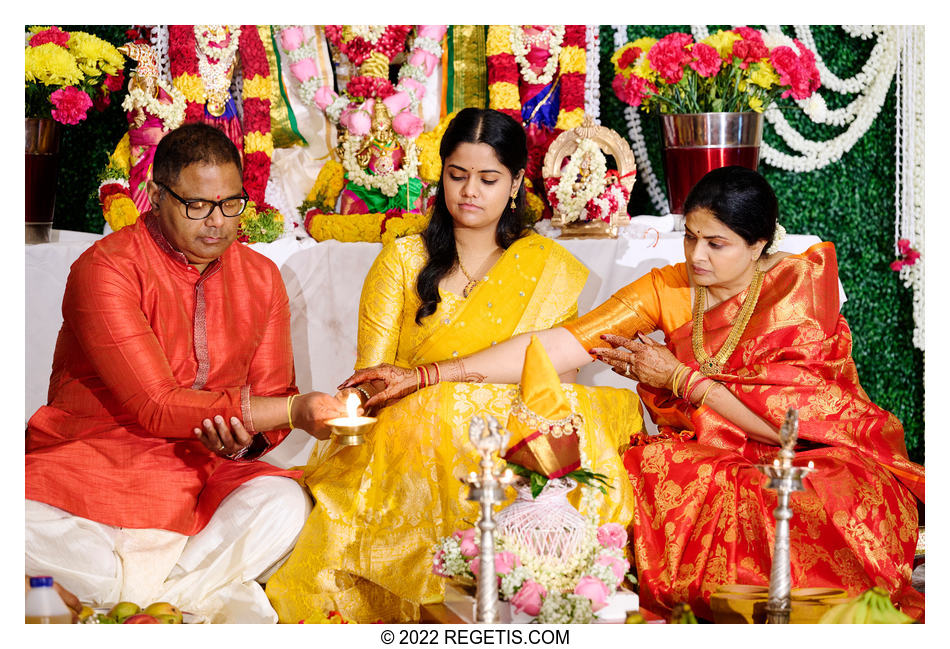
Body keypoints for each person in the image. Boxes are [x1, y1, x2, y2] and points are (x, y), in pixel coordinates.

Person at [344, 166, 926, 621]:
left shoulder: (798, 290)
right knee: (659, 469)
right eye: (691, 237)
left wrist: (679, 378)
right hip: (711, 451)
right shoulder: (670, 287)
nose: (695, 256)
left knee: (828, 497)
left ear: (758, 246)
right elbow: (557, 345)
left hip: (812, 455)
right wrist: (427, 375)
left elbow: (789, 428)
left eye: (716, 244)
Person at [265, 107, 642, 623]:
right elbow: (371, 378)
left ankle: (524, 583)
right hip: (413, 433)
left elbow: (555, 384)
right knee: (437, 411)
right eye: (457, 175)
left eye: (488, 179)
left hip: (509, 428)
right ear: (440, 175)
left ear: (514, 186)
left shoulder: (546, 268)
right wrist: (346, 406)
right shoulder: (402, 259)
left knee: (571, 424)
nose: (469, 191)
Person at [25, 123, 346, 623]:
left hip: (201, 478)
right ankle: (181, 598)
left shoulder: (261, 279)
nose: (216, 222)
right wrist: (291, 410)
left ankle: (131, 599)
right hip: (92, 469)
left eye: (231, 204)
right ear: (155, 195)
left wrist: (238, 441)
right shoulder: (106, 268)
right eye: (197, 205)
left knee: (285, 504)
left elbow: (274, 397)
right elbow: (156, 405)